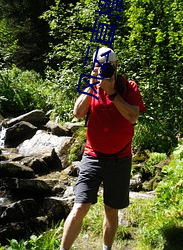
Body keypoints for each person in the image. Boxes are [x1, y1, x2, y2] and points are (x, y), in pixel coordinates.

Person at [60, 47, 146, 250]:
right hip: (93, 155)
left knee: (111, 209)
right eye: (97, 65)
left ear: (115, 66)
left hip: (120, 157)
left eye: (106, 65)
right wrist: (92, 86)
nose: (102, 69)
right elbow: (78, 113)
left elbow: (133, 116)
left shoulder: (128, 86)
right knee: (80, 205)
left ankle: (106, 248)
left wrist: (112, 93)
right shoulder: (91, 87)